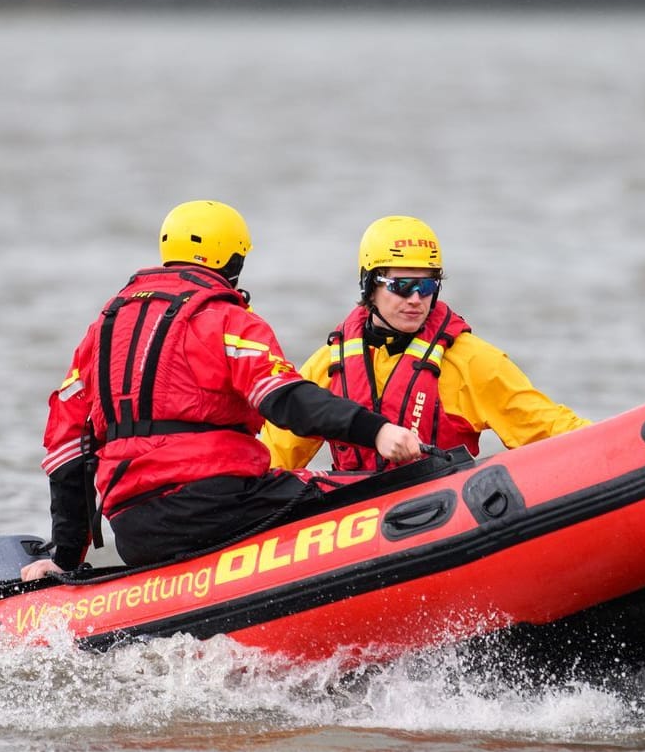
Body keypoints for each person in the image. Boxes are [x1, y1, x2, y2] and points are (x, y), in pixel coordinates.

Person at [25, 200, 423, 578]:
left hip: (134, 528)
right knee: (377, 490)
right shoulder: (226, 319)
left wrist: (65, 557)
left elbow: (66, 452)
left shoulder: (102, 332)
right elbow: (286, 399)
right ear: (234, 261)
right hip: (221, 504)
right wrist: (377, 431)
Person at [263, 215, 590, 474]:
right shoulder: (329, 364)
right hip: (355, 523)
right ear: (370, 286)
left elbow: (548, 427)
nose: (417, 299)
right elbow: (276, 456)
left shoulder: (470, 361)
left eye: (427, 285)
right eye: (402, 285)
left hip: (442, 515)